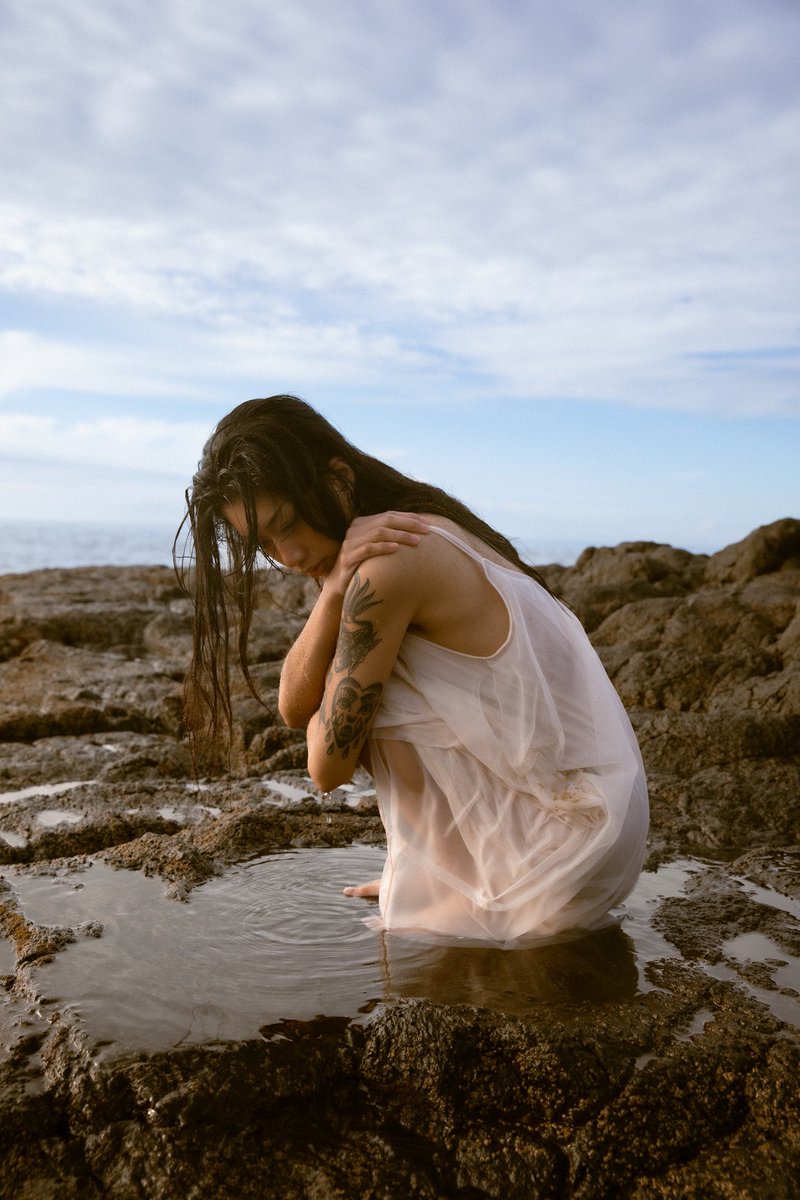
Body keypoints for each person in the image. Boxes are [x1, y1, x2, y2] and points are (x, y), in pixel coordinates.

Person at [177, 395, 648, 945]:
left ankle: (460, 886)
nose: (287, 554)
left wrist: (327, 692)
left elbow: (324, 768)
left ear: (338, 480)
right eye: (264, 542)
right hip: (593, 821)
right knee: (366, 680)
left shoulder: (392, 563)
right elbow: (289, 704)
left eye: (287, 524)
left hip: (562, 854)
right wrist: (331, 592)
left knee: (371, 694)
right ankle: (447, 870)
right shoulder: (409, 532)